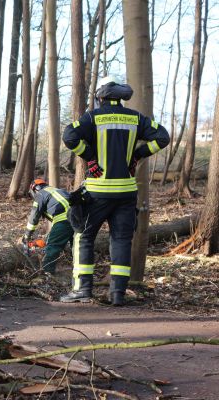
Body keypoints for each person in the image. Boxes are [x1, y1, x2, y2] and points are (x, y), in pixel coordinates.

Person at [60, 75, 169, 305]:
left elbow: (69, 135)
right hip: (127, 194)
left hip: (97, 193)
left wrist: (89, 157)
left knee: (84, 236)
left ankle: (83, 290)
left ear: (100, 95)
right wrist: (138, 154)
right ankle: (117, 293)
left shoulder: (93, 117)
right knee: (121, 240)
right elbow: (162, 137)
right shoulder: (136, 118)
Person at [21, 179, 74, 274]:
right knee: (77, 245)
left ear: (34, 190)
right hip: (80, 218)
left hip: (64, 219)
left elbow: (33, 217)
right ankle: (80, 269)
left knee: (52, 247)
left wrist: (27, 236)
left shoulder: (40, 194)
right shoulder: (58, 190)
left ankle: (47, 273)